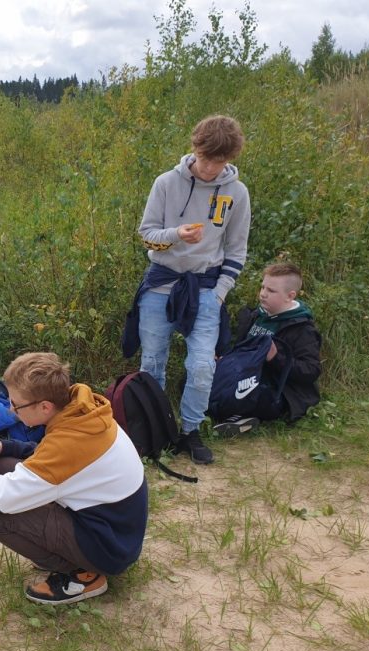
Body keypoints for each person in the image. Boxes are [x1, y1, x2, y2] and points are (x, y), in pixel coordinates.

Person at [0, 352, 148, 605]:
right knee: (3, 465)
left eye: (16, 404)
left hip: (109, 549)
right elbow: (52, 453)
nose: (11, 409)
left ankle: (83, 574)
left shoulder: (67, 443)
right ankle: (69, 554)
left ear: (45, 407)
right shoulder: (81, 411)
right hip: (116, 530)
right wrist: (6, 447)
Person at [124, 114, 251, 465]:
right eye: (205, 158)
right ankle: (155, 430)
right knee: (152, 362)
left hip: (206, 288)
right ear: (195, 148)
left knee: (202, 366)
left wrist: (220, 292)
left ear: (230, 159)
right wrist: (176, 235)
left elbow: (237, 249)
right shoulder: (166, 183)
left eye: (219, 162)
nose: (209, 168)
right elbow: (147, 236)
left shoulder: (237, 193)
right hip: (161, 284)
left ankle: (190, 431)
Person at [212, 262, 322, 436]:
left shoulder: (302, 329)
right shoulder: (256, 315)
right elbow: (242, 351)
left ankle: (237, 418)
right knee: (197, 377)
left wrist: (276, 358)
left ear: (290, 296)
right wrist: (225, 360)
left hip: (277, 389)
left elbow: (311, 370)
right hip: (245, 375)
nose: (263, 294)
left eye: (271, 291)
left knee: (242, 394)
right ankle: (235, 415)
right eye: (263, 287)